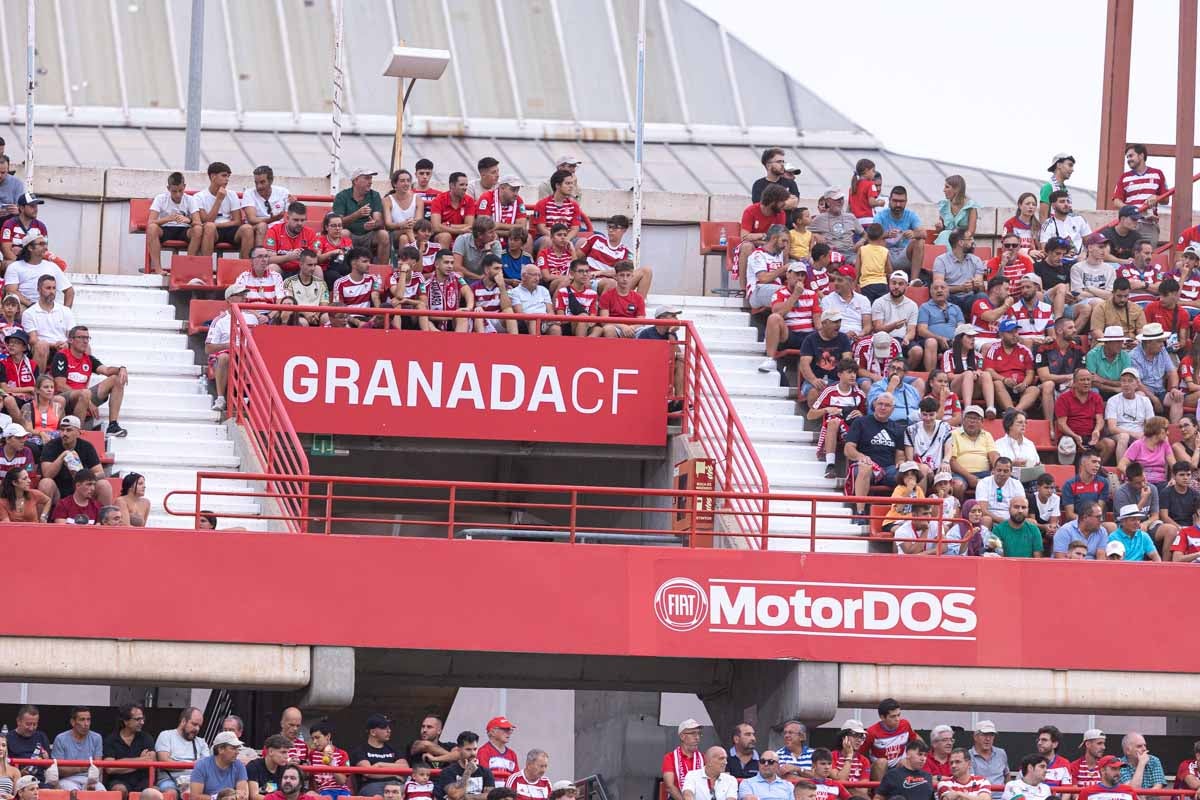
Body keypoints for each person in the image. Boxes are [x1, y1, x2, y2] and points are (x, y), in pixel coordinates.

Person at [50, 325, 128, 437]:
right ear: (71, 340)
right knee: (85, 393)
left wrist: (121, 368)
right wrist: (89, 402)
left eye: (87, 338)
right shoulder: (62, 356)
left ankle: (113, 425)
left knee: (116, 379)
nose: (85, 341)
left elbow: (106, 370)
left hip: (83, 397)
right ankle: (76, 434)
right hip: (65, 398)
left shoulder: (88, 358)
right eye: (81, 337)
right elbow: (60, 385)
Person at [845, 393, 904, 524]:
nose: (883, 407)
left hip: (888, 468)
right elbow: (848, 449)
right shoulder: (861, 422)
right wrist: (861, 457)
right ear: (874, 406)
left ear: (893, 409)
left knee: (907, 473)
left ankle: (900, 515)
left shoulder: (898, 429)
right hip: (866, 466)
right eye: (880, 404)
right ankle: (860, 513)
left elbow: (900, 455)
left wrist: (901, 463)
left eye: (887, 405)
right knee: (866, 468)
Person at [809, 360, 867, 480]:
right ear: (840, 374)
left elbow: (867, 419)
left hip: (852, 429)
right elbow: (810, 415)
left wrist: (861, 414)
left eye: (855, 373)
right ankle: (830, 465)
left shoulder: (859, 394)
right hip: (833, 428)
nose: (853, 376)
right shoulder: (829, 391)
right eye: (849, 372)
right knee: (833, 421)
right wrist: (826, 410)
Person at [758, 263, 818, 371]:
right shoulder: (779, 293)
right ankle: (770, 359)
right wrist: (795, 295)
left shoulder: (812, 294)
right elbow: (779, 313)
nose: (800, 278)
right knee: (774, 318)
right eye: (797, 274)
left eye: (802, 275)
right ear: (788, 275)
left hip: (809, 335)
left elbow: (817, 321)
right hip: (789, 334)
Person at [38, 415, 107, 506]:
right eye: (62, 430)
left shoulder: (86, 447)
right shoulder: (51, 446)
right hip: (58, 490)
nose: (64, 434)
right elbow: (47, 474)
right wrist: (63, 456)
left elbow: (101, 474)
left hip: (81, 488)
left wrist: (82, 475)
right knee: (46, 483)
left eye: (69, 430)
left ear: (78, 432)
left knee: (104, 484)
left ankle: (105, 518)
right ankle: (42, 519)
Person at [872, 272, 932, 371]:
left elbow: (911, 330)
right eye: (893, 283)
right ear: (889, 284)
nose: (896, 287)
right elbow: (878, 328)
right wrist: (893, 326)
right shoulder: (879, 302)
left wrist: (907, 338)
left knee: (917, 351)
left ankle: (902, 373)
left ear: (906, 286)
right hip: (885, 338)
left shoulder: (912, 305)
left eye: (900, 284)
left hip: (903, 339)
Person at [145, 171, 203, 273]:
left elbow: (198, 222)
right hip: (166, 229)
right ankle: (158, 269)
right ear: (168, 189)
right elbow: (151, 221)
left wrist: (188, 220)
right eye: (174, 191)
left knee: (198, 229)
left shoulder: (190, 199)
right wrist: (168, 219)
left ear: (184, 186)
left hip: (184, 229)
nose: (178, 194)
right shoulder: (160, 198)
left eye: (180, 190)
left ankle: (187, 267)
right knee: (152, 228)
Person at [1054, 370, 1114, 464]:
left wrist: (1097, 430)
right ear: (1074, 382)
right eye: (1082, 380)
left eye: (1088, 380)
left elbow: (1100, 420)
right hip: (1070, 436)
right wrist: (1075, 436)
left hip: (1090, 436)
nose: (1086, 383)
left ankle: (1096, 469)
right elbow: (1061, 424)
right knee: (1067, 444)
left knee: (1109, 444)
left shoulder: (1096, 397)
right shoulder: (1063, 398)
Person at [1112, 143, 1168, 243]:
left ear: (1141, 155)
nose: (1128, 159)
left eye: (1131, 155)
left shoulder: (1157, 174)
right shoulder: (1124, 177)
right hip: (1130, 225)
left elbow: (1166, 200)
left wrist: (1156, 197)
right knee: (1128, 256)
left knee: (1147, 256)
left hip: (1149, 224)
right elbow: (1116, 201)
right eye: (1127, 157)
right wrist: (1132, 211)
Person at [333, 167, 389, 263]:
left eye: (371, 178)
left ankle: (382, 270)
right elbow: (337, 222)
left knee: (383, 234)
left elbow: (378, 221)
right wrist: (357, 214)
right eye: (367, 178)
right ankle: (344, 268)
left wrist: (373, 224)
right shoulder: (342, 196)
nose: (370, 182)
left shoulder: (374, 195)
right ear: (355, 181)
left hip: (369, 235)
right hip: (350, 234)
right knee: (343, 233)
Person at [1130, 323, 1183, 423]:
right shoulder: (1134, 356)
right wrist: (1154, 399)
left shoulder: (1162, 350)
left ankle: (1174, 431)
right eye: (1159, 341)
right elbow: (1137, 383)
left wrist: (1174, 388)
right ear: (1148, 342)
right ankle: (1144, 431)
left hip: (1160, 391)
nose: (1162, 344)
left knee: (1178, 397)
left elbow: (1172, 371)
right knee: (1140, 396)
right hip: (1145, 392)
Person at [872, 186, 926, 283]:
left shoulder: (911, 215)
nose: (898, 204)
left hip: (904, 255)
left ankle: (914, 281)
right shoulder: (880, 216)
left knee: (919, 241)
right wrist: (887, 234)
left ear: (906, 202)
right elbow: (872, 235)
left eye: (901, 201)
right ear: (889, 200)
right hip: (886, 256)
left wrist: (914, 233)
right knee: (879, 241)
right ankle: (889, 278)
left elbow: (923, 233)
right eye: (895, 201)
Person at [5, 236, 73, 310]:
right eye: (41, 244)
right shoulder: (15, 267)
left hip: (48, 306)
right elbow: (11, 291)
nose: (45, 247)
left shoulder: (52, 266)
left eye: (45, 244)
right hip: (24, 305)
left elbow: (69, 291)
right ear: (30, 248)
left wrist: (66, 312)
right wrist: (31, 305)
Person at [1036, 317, 1084, 422]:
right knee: (1049, 384)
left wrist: (1073, 379)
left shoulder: (1078, 350)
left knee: (1077, 383)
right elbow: (1044, 377)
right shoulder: (1044, 349)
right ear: (1059, 330)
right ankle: (1049, 424)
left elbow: (1080, 374)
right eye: (1070, 328)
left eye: (1074, 327)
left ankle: (1071, 423)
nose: (1075, 330)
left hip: (1069, 386)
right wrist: (1069, 376)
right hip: (1048, 389)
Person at [984, 321, 1037, 414]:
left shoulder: (1024, 350)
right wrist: (1004, 380)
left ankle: (1014, 412)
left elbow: (1030, 372)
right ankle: (1010, 409)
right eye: (1010, 332)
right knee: (997, 384)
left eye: (1016, 332)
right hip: (1003, 386)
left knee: (1034, 389)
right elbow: (989, 370)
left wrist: (1025, 384)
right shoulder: (994, 349)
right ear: (1001, 335)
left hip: (1021, 387)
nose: (1014, 335)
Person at [736, 185, 789, 279]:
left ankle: (783, 280)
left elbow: (781, 236)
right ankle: (744, 289)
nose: (785, 204)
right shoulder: (750, 211)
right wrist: (764, 236)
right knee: (747, 246)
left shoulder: (781, 213)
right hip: (755, 245)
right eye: (782, 201)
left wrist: (759, 238)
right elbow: (744, 237)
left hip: (772, 244)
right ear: (773, 200)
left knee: (785, 244)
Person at [103, 704, 156, 797]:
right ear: (126, 721)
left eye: (143, 718)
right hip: (118, 781)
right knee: (119, 790)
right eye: (138, 719)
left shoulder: (146, 738)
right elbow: (110, 768)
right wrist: (141, 760)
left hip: (142, 781)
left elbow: (151, 761)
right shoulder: (111, 740)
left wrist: (121, 764)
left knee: (154, 792)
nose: (142, 722)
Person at [351, 714, 409, 797]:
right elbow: (368, 772)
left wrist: (379, 765)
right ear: (373, 732)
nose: (389, 730)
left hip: (396, 785)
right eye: (384, 728)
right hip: (372, 786)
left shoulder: (393, 749)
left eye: (389, 727)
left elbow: (405, 768)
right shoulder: (360, 750)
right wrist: (394, 773)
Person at [860, 699, 917, 781]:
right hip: (878, 769)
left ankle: (903, 791)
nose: (897, 719)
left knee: (906, 761)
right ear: (882, 717)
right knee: (882, 762)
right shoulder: (872, 732)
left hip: (898, 766)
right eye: (893, 716)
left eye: (898, 715)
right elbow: (862, 754)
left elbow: (915, 742)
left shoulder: (905, 724)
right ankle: (880, 792)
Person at [942, 325, 993, 414]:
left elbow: (980, 370)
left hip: (975, 389)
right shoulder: (948, 354)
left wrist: (976, 374)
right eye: (969, 337)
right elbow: (949, 376)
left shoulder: (978, 356)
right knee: (968, 374)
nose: (973, 339)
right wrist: (968, 375)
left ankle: (991, 408)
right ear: (959, 339)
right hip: (956, 388)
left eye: (974, 337)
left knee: (986, 374)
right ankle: (967, 408)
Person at [1106, 369, 1155, 461]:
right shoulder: (1113, 400)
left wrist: (1144, 434)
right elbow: (1112, 428)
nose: (1126, 384)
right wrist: (1133, 434)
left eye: (1130, 381)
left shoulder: (1145, 401)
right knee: (1124, 437)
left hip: (1140, 432)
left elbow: (1151, 425)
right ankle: (1121, 470)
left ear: (1137, 384)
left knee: (1159, 438)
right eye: (1123, 381)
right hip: (1119, 433)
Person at [50, 707, 103, 790]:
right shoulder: (60, 738)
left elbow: (98, 766)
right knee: (74, 793)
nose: (86, 724)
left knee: (102, 793)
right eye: (82, 720)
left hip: (91, 780)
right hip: (67, 780)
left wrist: (92, 781)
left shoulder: (97, 738)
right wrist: (81, 768)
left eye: (88, 720)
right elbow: (59, 769)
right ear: (73, 722)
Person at [949, 406, 999, 494]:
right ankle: (958, 507)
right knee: (957, 485)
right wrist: (969, 476)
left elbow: (993, 455)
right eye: (969, 418)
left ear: (982, 422)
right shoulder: (954, 434)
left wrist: (997, 468)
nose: (972, 421)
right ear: (963, 420)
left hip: (984, 473)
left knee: (1001, 479)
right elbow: (952, 461)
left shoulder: (987, 435)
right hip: (961, 474)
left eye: (976, 419)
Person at [809, 188, 863, 264]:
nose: (840, 201)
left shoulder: (850, 217)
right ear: (828, 201)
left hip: (849, 252)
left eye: (841, 199)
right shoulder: (819, 219)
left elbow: (865, 235)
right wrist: (815, 235)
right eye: (837, 199)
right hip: (830, 253)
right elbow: (803, 232)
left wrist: (861, 241)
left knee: (861, 263)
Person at [190, 731, 249, 800]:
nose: (237, 752)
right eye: (233, 748)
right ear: (220, 749)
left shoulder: (239, 766)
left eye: (238, 748)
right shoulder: (202, 765)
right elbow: (195, 797)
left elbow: (243, 795)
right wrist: (218, 798)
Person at [264, 203, 318, 277]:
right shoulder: (274, 231)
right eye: (296, 220)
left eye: (302, 220)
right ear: (287, 218)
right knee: (272, 268)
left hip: (301, 270)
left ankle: (317, 289)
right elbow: (269, 259)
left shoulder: (310, 233)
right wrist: (288, 257)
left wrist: (304, 257)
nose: (299, 223)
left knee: (317, 269)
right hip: (281, 270)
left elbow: (316, 257)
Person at [434, 731, 492, 800]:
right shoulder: (448, 772)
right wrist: (468, 772)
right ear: (458, 750)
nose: (473, 753)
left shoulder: (485, 772)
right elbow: (456, 796)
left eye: (475, 749)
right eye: (468, 749)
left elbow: (490, 796)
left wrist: (467, 797)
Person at [822, 263, 873, 340]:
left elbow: (867, 326)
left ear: (851, 283)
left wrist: (859, 335)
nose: (835, 283)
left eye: (840, 280)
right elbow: (827, 326)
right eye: (835, 279)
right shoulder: (827, 300)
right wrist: (844, 336)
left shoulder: (863, 300)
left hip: (858, 338)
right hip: (836, 338)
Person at [745, 225, 791, 309]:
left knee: (805, 294)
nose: (785, 245)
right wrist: (783, 268)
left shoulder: (779, 254)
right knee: (786, 293)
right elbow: (763, 278)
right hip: (758, 291)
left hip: (775, 289)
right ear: (774, 238)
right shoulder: (758, 255)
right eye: (783, 241)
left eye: (787, 242)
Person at [598, 260, 647, 339]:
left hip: (633, 329)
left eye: (628, 275)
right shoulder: (606, 296)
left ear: (632, 276)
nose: (625, 279)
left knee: (647, 332)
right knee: (608, 329)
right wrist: (622, 326)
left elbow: (641, 321)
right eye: (621, 275)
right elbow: (604, 321)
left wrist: (631, 328)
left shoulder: (638, 298)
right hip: (615, 327)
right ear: (616, 277)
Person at [1062, 449, 1113, 522]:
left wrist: (1091, 521)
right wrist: (1086, 521)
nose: (1097, 465)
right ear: (1083, 463)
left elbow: (1099, 510)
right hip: (1076, 523)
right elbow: (1070, 515)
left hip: (1096, 522)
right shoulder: (1069, 484)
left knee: (1111, 526)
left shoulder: (1103, 483)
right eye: (1094, 462)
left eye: (1099, 462)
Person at [918, 280, 965, 357]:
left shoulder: (955, 308)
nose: (939, 290)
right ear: (931, 292)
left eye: (942, 288)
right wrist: (939, 338)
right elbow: (921, 330)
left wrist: (956, 339)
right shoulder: (925, 307)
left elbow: (961, 328)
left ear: (948, 291)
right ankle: (931, 369)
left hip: (953, 342)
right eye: (935, 288)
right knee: (931, 342)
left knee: (965, 341)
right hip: (932, 341)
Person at [510, 264, 560, 335]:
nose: (537, 279)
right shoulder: (514, 292)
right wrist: (537, 317)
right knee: (533, 321)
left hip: (544, 321)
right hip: (526, 322)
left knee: (556, 328)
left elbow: (550, 311)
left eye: (539, 275)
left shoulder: (543, 290)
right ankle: (535, 345)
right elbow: (520, 314)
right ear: (524, 276)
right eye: (534, 275)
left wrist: (547, 319)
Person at [1039, 190, 1091, 259]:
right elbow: (1045, 250)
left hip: (1081, 260)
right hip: (1059, 262)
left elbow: (1090, 242)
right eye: (1062, 201)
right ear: (1053, 206)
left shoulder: (1079, 219)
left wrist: (1084, 253)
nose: (1066, 204)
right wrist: (1062, 255)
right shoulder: (1047, 224)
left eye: (1068, 201)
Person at [7, 705, 51, 782]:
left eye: (34, 724)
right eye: (28, 724)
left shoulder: (41, 736)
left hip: (39, 781)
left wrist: (46, 760)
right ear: (18, 721)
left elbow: (48, 766)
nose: (31, 728)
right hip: (16, 782)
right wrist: (19, 773)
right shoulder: (8, 738)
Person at [994, 410, 1041, 483]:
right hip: (1006, 481)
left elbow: (1037, 463)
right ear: (1009, 425)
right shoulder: (999, 444)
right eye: (1020, 422)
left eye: (1025, 422)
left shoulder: (1030, 444)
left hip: (1030, 480)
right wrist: (1012, 464)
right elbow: (997, 467)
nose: (1024, 425)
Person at [663, 720, 705, 800]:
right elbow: (669, 786)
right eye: (693, 733)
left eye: (699, 733)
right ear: (682, 736)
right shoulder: (670, 757)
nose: (697, 737)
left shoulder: (703, 758)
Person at [383, 168, 424, 249]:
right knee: (407, 230)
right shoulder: (387, 200)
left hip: (413, 232)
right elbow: (388, 225)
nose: (406, 183)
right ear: (395, 184)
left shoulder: (417, 199)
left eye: (408, 181)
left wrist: (410, 223)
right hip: (394, 233)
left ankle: (405, 260)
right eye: (402, 181)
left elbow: (419, 221)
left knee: (404, 238)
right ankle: (418, 250)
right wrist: (401, 225)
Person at [975, 458, 1023, 525]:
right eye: (999, 470)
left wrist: (1011, 521)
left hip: (1011, 519)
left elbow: (1021, 508)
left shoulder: (1017, 484)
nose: (1002, 473)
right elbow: (982, 509)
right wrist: (1000, 520)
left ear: (1011, 472)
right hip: (991, 518)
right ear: (993, 470)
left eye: (1006, 471)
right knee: (986, 519)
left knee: (1031, 522)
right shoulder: (983, 483)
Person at [308, 721, 350, 798]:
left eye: (317, 737)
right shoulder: (312, 754)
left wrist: (331, 764)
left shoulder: (342, 754)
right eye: (312, 738)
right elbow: (311, 779)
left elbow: (342, 781)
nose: (314, 742)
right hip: (323, 793)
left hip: (341, 792)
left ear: (328, 736)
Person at [453, 217, 503, 281]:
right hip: (466, 279)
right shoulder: (462, 239)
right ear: (480, 235)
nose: (494, 235)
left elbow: (495, 269)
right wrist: (478, 277)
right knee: (459, 274)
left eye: (494, 231)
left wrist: (488, 250)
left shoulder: (495, 243)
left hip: (486, 281)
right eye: (490, 232)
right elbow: (456, 267)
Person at [933, 176, 977, 247]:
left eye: (947, 187)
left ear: (956, 189)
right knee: (944, 234)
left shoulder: (970, 206)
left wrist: (957, 238)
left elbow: (971, 231)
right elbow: (942, 228)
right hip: (946, 238)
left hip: (964, 240)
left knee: (946, 236)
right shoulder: (944, 205)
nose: (943, 190)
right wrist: (940, 227)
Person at [967, 721, 1008, 800]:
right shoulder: (967, 755)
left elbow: (1007, 775)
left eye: (991, 735)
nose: (988, 739)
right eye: (984, 735)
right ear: (975, 737)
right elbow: (970, 783)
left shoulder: (1001, 753)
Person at [315, 213, 356, 287]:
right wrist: (333, 253)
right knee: (334, 276)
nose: (337, 228)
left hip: (344, 270)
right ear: (326, 227)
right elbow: (317, 259)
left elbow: (353, 258)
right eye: (334, 226)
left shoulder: (348, 241)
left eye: (339, 225)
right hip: (327, 272)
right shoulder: (319, 240)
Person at [831, 722, 870, 796]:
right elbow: (841, 780)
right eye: (855, 735)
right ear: (844, 737)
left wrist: (844, 786)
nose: (859, 740)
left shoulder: (864, 761)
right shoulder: (832, 756)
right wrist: (849, 756)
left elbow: (863, 791)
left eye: (861, 736)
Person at [246, 735, 290, 800]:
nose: (287, 756)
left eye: (287, 752)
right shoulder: (253, 766)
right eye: (283, 752)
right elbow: (253, 796)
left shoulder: (286, 768)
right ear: (270, 751)